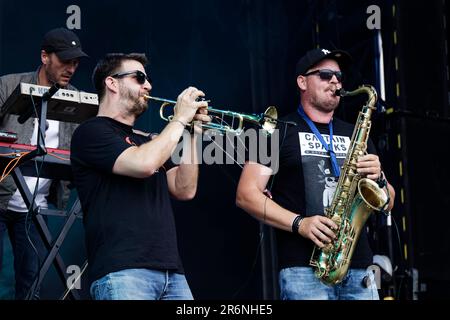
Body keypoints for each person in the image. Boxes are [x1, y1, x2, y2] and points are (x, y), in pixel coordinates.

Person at [236, 48, 396, 300]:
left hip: (358, 268)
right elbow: (246, 195)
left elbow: (389, 202)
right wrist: (300, 223)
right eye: (324, 74)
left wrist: (380, 178)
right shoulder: (273, 130)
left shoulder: (355, 132)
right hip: (302, 269)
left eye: (339, 77)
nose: (335, 81)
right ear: (302, 81)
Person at [70, 53, 209, 300]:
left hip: (172, 271)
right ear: (112, 83)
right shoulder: (91, 131)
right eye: (139, 78)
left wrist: (191, 133)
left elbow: (184, 188)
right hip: (123, 271)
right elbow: (143, 164)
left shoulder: (148, 141)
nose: (148, 85)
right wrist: (179, 119)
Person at [0, 27, 88, 299]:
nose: (71, 68)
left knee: (32, 284)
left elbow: (78, 155)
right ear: (45, 57)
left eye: (75, 62)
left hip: (35, 208)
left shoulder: (77, 100)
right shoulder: (7, 85)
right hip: (1, 196)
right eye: (65, 60)